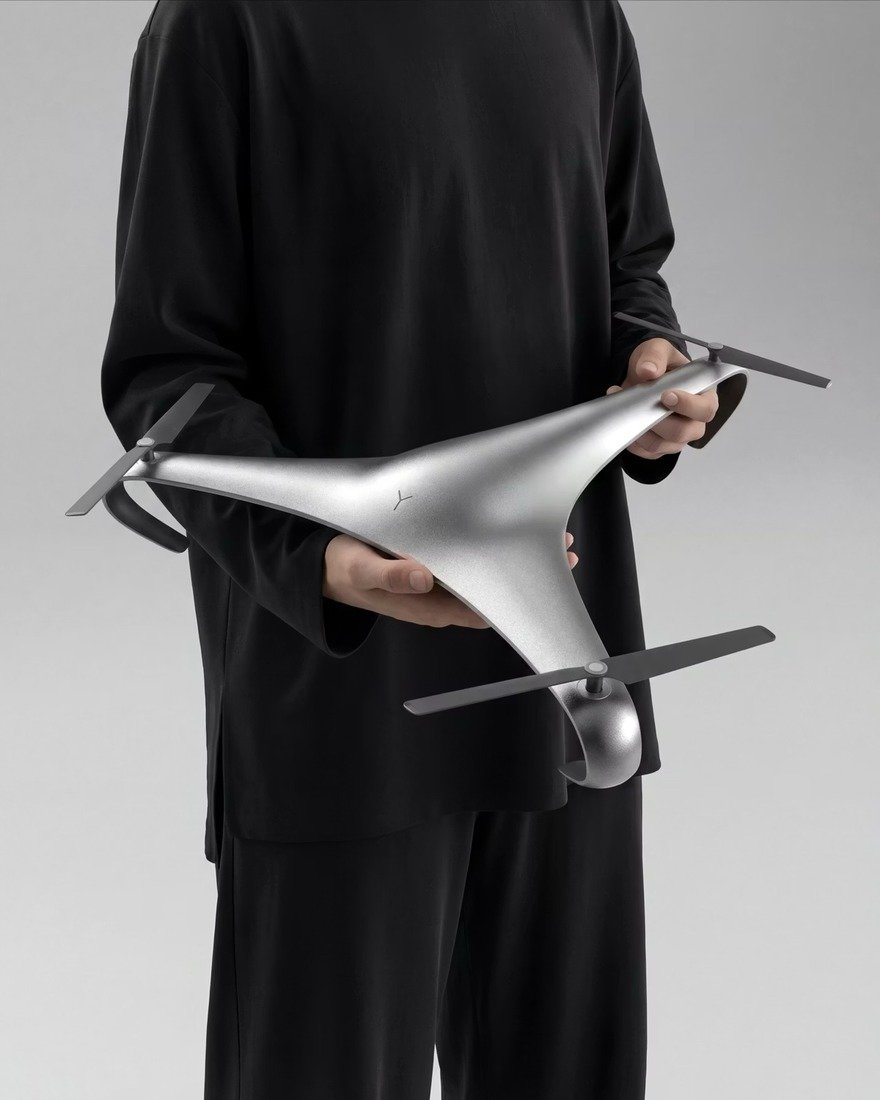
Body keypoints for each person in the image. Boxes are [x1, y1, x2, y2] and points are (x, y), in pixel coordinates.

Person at [101, 2, 731, 1096]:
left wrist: (652, 365)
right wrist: (318, 559)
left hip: (566, 671)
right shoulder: (220, 24)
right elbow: (168, 373)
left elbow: (628, 263)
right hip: (338, 696)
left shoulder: (579, 12)